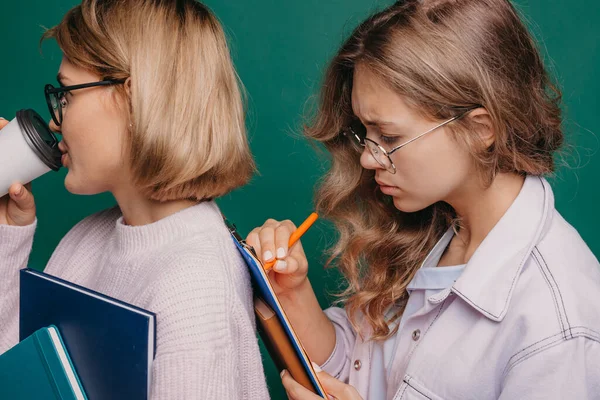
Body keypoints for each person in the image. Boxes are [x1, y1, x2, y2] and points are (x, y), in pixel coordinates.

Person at [247, 0, 600, 398]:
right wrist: (292, 293)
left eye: (390, 137)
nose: (367, 157)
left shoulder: (558, 326)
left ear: (480, 128)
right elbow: (359, 371)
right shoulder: (436, 229)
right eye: (365, 132)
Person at [0, 0, 269, 398]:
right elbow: (17, 379)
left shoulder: (194, 286)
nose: (54, 120)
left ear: (134, 98)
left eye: (66, 94)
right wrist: (8, 234)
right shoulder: (85, 241)